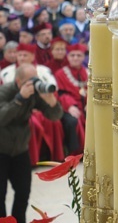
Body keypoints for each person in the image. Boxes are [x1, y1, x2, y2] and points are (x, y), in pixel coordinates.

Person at [0, 63, 63, 223]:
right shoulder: (5, 91)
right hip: (1, 150)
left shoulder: (34, 93)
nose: (35, 82)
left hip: (20, 151)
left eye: (36, 78)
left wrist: (51, 101)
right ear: (19, 81)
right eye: (30, 79)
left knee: (23, 192)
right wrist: (19, 99)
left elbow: (55, 116)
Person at [53, 43, 88, 155]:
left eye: (78, 55)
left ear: (83, 57)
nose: (75, 58)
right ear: (67, 57)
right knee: (73, 120)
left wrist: (90, 105)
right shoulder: (60, 74)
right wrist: (70, 106)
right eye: (72, 55)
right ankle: (75, 153)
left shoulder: (88, 72)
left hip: (86, 106)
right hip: (68, 106)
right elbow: (61, 93)